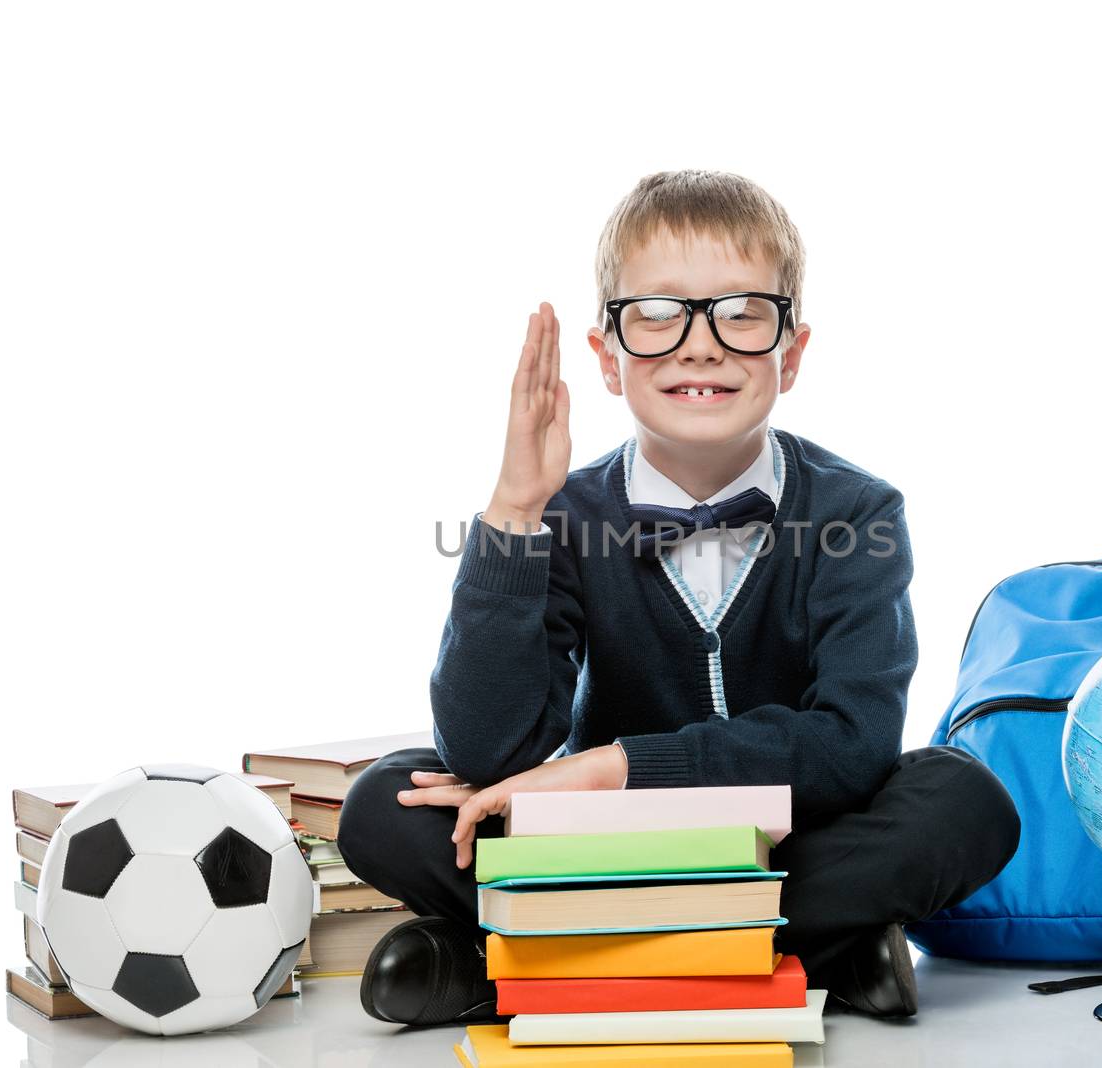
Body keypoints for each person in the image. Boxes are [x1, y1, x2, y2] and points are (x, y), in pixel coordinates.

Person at [337, 169, 1020, 1026]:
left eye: (741, 313)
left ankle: (514, 967)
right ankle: (807, 951)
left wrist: (617, 766)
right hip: (599, 856)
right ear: (609, 360)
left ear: (792, 353)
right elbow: (488, 747)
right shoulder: (567, 515)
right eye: (658, 316)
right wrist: (514, 515)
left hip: (786, 839)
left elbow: (852, 744)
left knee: (964, 799)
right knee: (384, 801)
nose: (702, 345)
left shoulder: (856, 513)